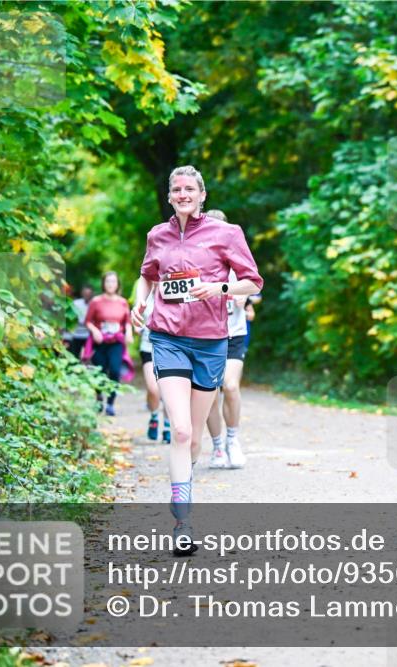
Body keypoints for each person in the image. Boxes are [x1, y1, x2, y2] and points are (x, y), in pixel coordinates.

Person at [131, 166, 263, 556]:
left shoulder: (227, 233)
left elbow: (253, 281)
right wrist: (140, 302)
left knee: (195, 437)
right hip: (167, 337)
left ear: (202, 195)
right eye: (176, 189)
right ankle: (183, 523)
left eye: (190, 188)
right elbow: (146, 276)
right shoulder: (158, 234)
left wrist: (218, 288)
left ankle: (183, 493)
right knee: (181, 430)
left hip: (210, 343)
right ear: (170, 196)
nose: (183, 194)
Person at [202, 209, 259, 470]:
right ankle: (216, 447)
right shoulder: (198, 262)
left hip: (234, 334)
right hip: (204, 335)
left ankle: (233, 440)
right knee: (210, 394)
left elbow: (253, 283)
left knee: (231, 386)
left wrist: (244, 297)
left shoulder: (237, 260)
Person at [84, 272, 134, 416]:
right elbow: (88, 321)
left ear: (117, 284)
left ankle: (111, 403)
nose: (110, 284)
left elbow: (127, 322)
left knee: (115, 370)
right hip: (100, 342)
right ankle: (99, 398)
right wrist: (95, 331)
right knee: (99, 371)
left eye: (113, 281)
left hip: (116, 342)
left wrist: (129, 333)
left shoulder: (123, 302)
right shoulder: (96, 301)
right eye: (108, 281)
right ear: (103, 284)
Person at [135, 286, 170, 443]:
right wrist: (136, 326)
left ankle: (167, 425)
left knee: (168, 391)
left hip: (169, 349)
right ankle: (154, 416)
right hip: (148, 348)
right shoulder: (145, 296)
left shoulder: (173, 293)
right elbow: (136, 319)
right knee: (153, 388)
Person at [69, 285, 93, 359]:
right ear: (82, 293)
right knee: (74, 355)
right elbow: (71, 317)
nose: (87, 296)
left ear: (91, 294)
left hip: (89, 335)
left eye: (88, 294)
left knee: (89, 356)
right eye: (85, 293)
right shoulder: (76, 303)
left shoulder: (94, 304)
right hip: (76, 334)